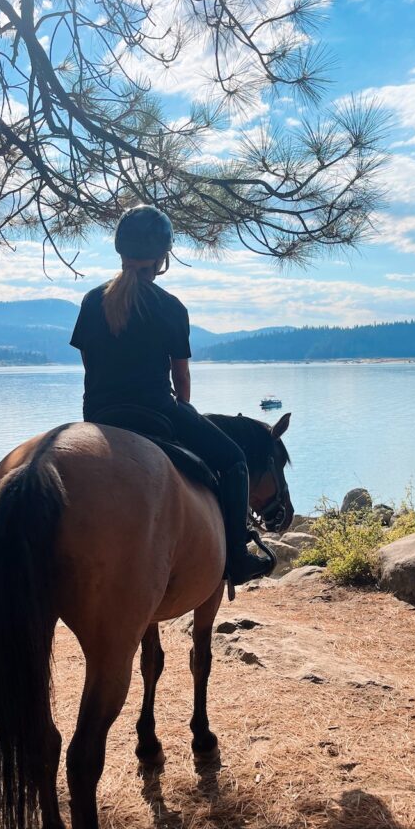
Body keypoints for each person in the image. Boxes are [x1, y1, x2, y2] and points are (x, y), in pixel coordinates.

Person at [69, 204, 275, 585]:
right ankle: (237, 557)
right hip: (157, 411)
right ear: (162, 257)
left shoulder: (92, 301)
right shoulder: (170, 307)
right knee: (233, 461)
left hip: (99, 415)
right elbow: (181, 374)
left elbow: (89, 362)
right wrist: (186, 409)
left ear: (121, 251)